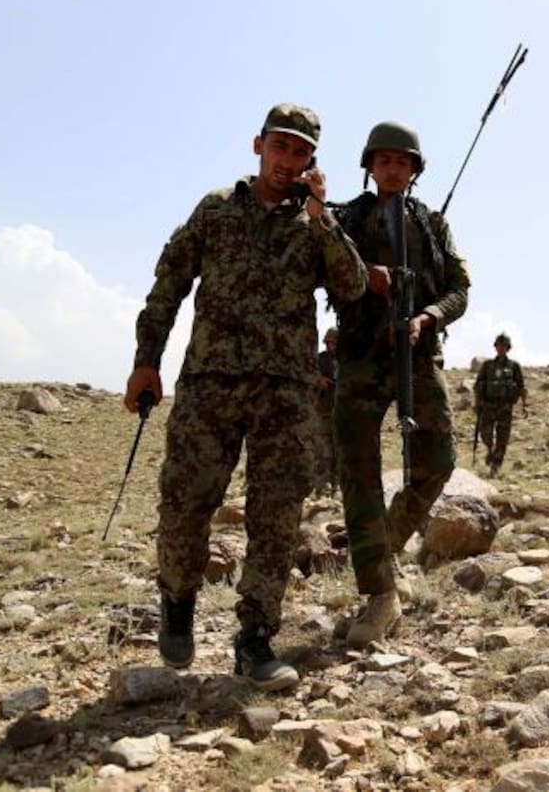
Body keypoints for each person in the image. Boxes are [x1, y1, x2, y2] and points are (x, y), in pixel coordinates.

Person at [124, 103, 367, 690]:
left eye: (300, 152)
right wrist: (146, 362)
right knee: (184, 506)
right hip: (209, 385)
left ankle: (255, 639)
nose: (287, 160)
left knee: (276, 518)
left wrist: (323, 219)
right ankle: (177, 602)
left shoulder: (316, 224)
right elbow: (168, 288)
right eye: (280, 147)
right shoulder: (215, 211)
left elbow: (354, 286)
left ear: (313, 161)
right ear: (258, 145)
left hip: (284, 394)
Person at [332, 121, 471, 648]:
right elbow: (324, 270)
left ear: (414, 170)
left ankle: (384, 543)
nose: (393, 169)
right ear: (369, 166)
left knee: (438, 461)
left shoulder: (432, 225)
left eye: (402, 162)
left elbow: (460, 288)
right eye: (383, 160)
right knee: (359, 471)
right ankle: (379, 593)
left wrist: (429, 317)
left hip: (417, 353)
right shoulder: (346, 218)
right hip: (361, 356)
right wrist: (364, 274)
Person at [473, 333, 527, 476]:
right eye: (499, 345)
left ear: (508, 348)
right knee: (486, 434)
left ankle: (495, 465)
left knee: (502, 438)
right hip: (488, 405)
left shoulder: (514, 366)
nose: (501, 348)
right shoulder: (487, 365)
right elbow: (478, 385)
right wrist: (476, 402)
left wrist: (524, 405)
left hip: (505, 407)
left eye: (504, 346)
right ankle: (489, 451)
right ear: (495, 347)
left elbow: (521, 386)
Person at [313, 328, 339, 496]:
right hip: (323, 410)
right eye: (330, 342)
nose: (332, 345)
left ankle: (337, 488)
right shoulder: (320, 359)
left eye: (335, 342)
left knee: (340, 452)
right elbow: (307, 374)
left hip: (342, 412)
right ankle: (322, 488)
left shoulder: (348, 360)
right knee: (323, 452)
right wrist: (318, 380)